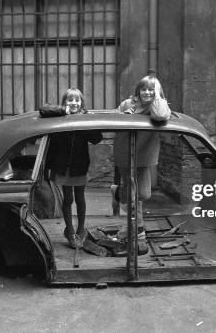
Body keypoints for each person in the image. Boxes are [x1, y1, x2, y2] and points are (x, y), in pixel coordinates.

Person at [111, 75, 171, 244]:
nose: (147, 92)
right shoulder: (127, 103)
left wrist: (157, 95)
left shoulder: (158, 105)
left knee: (142, 194)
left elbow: (160, 116)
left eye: (151, 89)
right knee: (134, 193)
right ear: (138, 90)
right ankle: (137, 229)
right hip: (124, 152)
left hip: (143, 155)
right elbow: (112, 122)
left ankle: (117, 192)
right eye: (143, 89)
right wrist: (124, 116)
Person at [40, 88, 102, 249]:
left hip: (79, 165)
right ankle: (70, 230)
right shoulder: (59, 116)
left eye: (77, 100)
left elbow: (97, 139)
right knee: (68, 199)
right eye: (70, 100)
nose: (74, 103)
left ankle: (81, 229)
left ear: (82, 103)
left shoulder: (85, 118)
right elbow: (43, 109)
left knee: (80, 198)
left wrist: (92, 122)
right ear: (64, 102)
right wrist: (63, 110)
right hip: (62, 166)